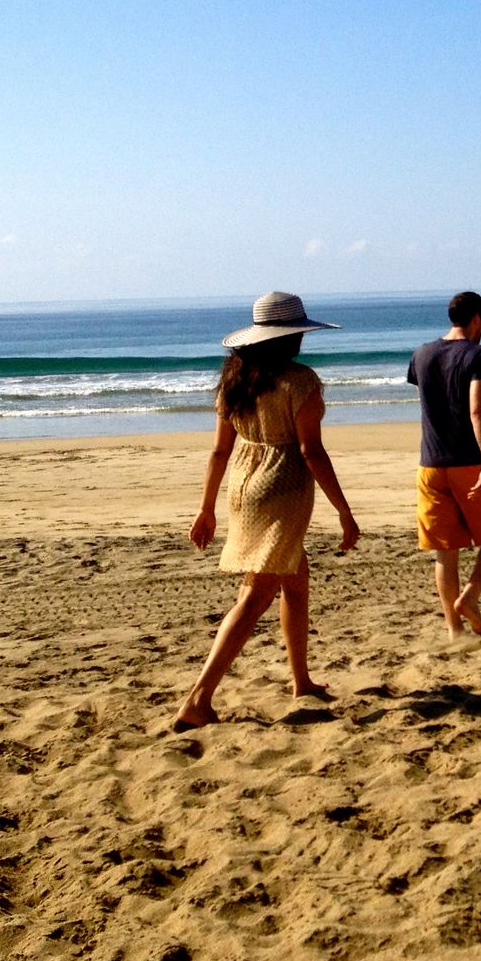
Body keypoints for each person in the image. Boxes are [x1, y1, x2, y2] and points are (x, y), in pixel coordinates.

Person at [176, 292, 360, 730]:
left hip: (243, 481)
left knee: (295, 580)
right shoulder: (300, 380)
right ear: (293, 336)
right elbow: (311, 452)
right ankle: (199, 698)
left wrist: (207, 508)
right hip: (283, 485)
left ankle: (301, 680)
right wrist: (344, 511)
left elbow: (220, 451)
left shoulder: (236, 379)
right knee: (256, 593)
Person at [407, 290, 481, 639]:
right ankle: (469, 597)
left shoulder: (421, 354)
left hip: (430, 463)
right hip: (467, 461)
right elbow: (478, 408)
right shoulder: (479, 354)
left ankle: (455, 631)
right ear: (477, 318)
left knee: (445, 552)